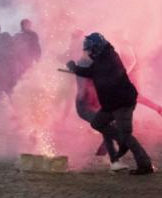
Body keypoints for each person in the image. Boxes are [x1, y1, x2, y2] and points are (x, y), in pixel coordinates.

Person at [66, 33, 154, 175]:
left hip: (122, 103)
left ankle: (145, 165)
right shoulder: (102, 58)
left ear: (97, 48)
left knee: (127, 135)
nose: (89, 53)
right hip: (111, 104)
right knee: (97, 123)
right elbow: (91, 72)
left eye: (90, 50)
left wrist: (76, 69)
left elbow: (94, 72)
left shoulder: (109, 58)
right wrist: (75, 68)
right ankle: (121, 140)